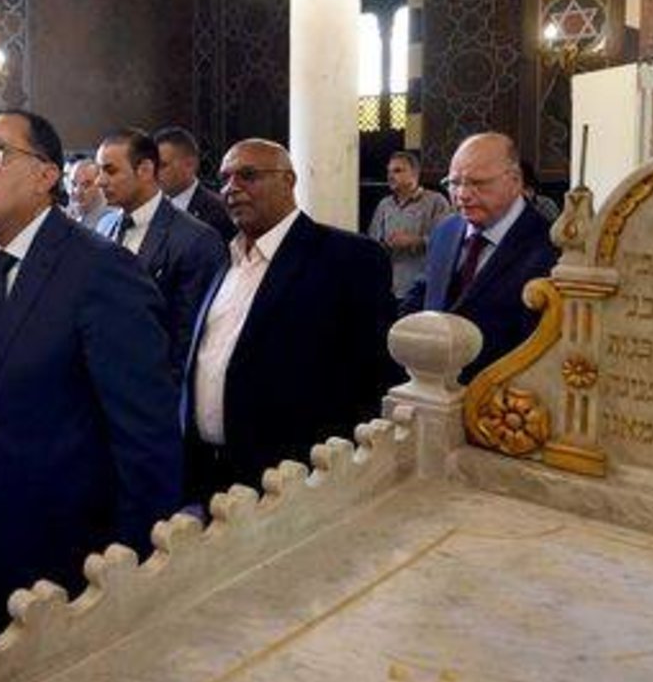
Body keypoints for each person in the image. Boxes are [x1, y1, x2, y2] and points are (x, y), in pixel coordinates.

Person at [0, 109, 181, 634]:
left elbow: (147, 438)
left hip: (69, 563)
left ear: (45, 175)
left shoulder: (102, 270)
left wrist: (129, 573)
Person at [183, 138, 397, 507]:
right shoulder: (226, 257)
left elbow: (373, 377)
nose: (232, 188)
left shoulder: (348, 258)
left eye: (248, 175)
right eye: (225, 178)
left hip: (294, 476)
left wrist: (338, 475)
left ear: (288, 180)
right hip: (212, 470)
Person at [402, 133, 559, 383]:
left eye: (478, 183)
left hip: (505, 394)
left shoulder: (551, 248)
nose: (462, 194)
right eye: (454, 183)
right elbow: (424, 294)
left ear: (515, 181)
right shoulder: (445, 231)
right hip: (432, 388)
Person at [94, 127, 226, 380]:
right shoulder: (104, 226)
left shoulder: (196, 239)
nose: (100, 181)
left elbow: (190, 339)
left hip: (155, 387)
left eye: (110, 170)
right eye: (99, 170)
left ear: (144, 170)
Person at [367, 150, 451, 298]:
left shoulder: (436, 202)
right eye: (389, 171)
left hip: (423, 287)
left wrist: (416, 241)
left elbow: (448, 242)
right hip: (389, 286)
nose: (390, 176)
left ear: (415, 174)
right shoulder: (384, 205)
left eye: (397, 171)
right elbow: (372, 242)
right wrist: (383, 245)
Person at [155, 124, 234, 243]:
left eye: (162, 165)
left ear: (190, 164)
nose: (154, 173)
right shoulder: (150, 208)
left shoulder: (220, 212)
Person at [63, 156, 115, 229]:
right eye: (74, 184)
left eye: (86, 185)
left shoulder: (111, 220)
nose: (78, 192)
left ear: (100, 185)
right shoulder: (67, 215)